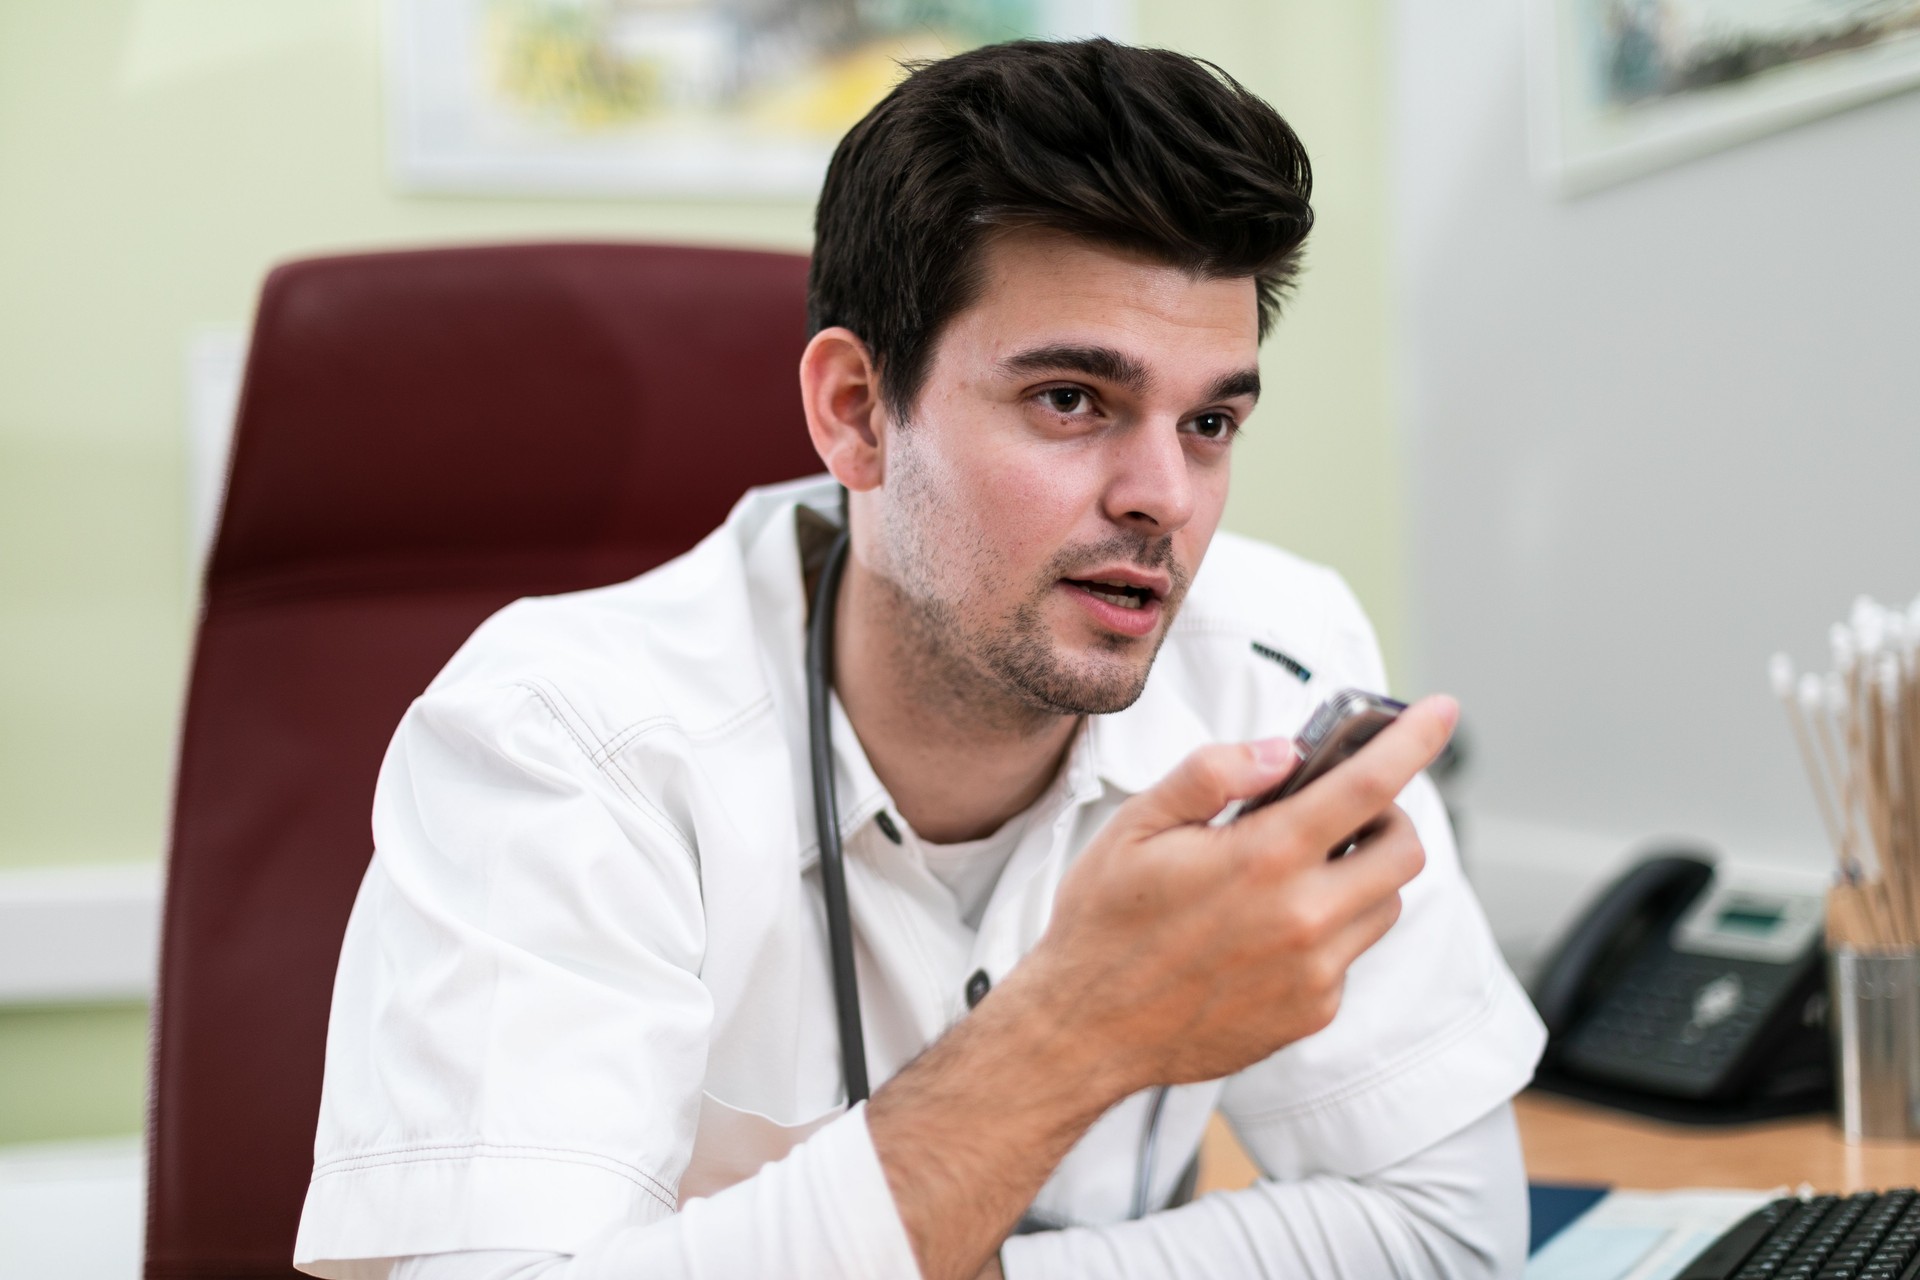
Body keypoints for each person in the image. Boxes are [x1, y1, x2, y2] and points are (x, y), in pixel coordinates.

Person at [294, 38, 1544, 1280]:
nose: (1165, 496)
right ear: (855, 412)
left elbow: (1447, 1223)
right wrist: (1074, 1032)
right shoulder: (560, 738)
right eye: (1070, 398)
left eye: (1210, 420)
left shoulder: (1276, 660)